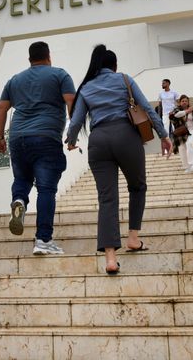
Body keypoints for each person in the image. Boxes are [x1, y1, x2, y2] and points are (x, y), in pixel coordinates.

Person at [65, 45, 171, 275]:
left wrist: (71, 140)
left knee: (107, 198)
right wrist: (163, 135)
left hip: (98, 141)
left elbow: (75, 122)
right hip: (126, 136)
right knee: (137, 186)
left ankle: (110, 259)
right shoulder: (124, 79)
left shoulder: (87, 87)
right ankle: (133, 238)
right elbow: (146, 108)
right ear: (114, 65)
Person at [0, 41, 75, 255]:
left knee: (22, 180)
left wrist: (0, 137)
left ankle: (19, 200)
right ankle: (43, 240)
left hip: (18, 137)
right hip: (46, 137)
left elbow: (2, 108)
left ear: (29, 58)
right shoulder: (59, 75)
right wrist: (73, 132)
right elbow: (71, 102)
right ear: (49, 56)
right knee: (46, 189)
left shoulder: (15, 80)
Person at [158, 79, 180, 151]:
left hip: (174, 114)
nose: (162, 84)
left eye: (163, 83)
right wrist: (158, 116)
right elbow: (159, 106)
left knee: (175, 130)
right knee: (166, 131)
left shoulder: (174, 93)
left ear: (168, 83)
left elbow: (179, 104)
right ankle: (167, 150)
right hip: (165, 114)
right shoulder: (161, 94)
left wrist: (175, 111)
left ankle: (178, 147)